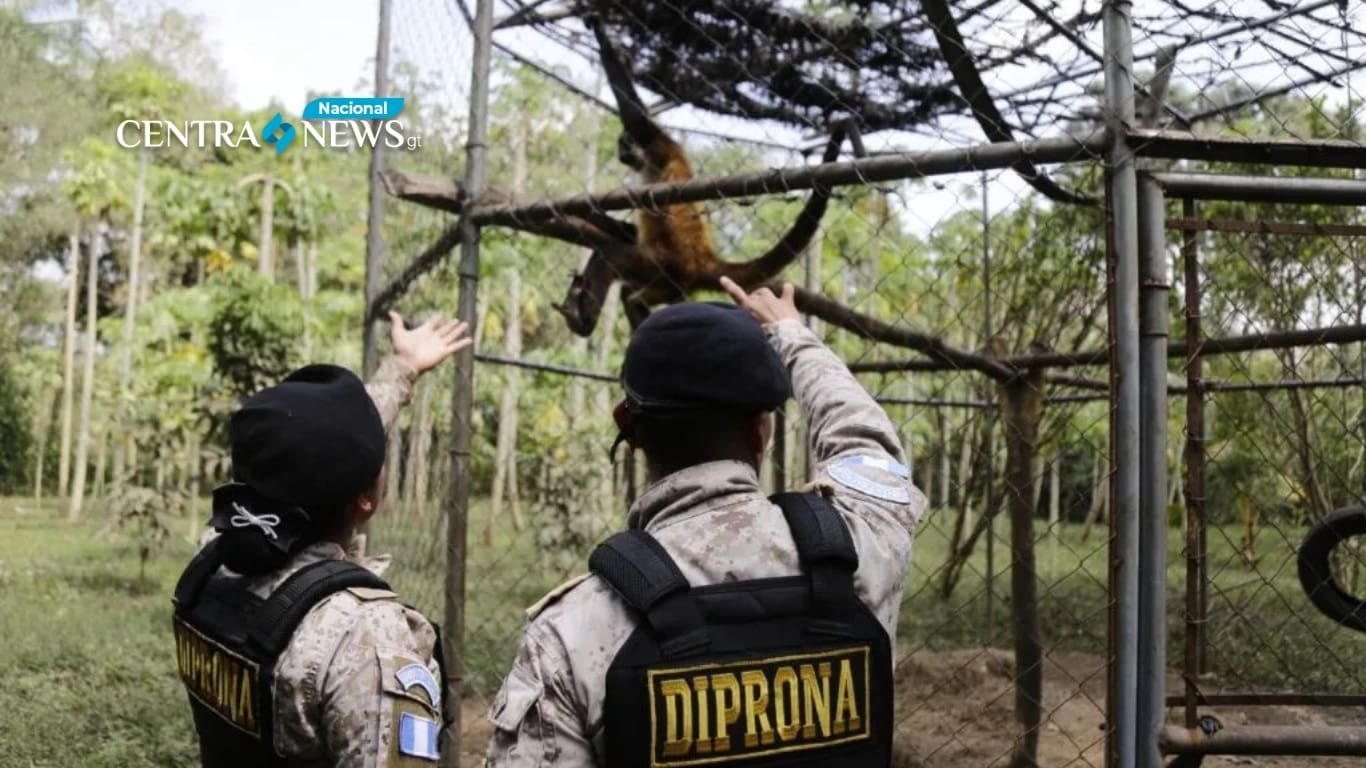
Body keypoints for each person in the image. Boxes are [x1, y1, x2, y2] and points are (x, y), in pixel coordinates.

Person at [485, 278, 927, 767]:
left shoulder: (573, 633)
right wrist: (792, 334)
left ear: (626, 428)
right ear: (763, 431)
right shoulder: (862, 551)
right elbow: (869, 445)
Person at [172, 311, 471, 768]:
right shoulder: (363, 634)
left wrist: (401, 367)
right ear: (366, 499)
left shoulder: (211, 557)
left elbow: (310, 447)